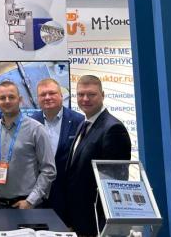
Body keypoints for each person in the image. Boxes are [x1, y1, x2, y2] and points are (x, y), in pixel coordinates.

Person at [64, 75, 131, 237]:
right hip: (80, 218)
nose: (85, 99)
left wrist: (104, 228)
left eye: (91, 94)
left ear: (103, 95)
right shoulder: (84, 124)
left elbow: (113, 184)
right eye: (81, 94)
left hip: (97, 222)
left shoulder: (113, 129)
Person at [0, 80, 56, 209]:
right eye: (2, 98)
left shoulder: (36, 129)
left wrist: (31, 201)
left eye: (11, 97)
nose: (7, 101)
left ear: (20, 99)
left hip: (26, 205)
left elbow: (49, 170)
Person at [32, 78, 84, 221]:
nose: (47, 97)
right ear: (38, 99)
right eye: (43, 94)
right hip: (37, 197)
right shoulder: (30, 122)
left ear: (61, 95)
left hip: (68, 196)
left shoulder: (79, 121)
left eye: (52, 93)